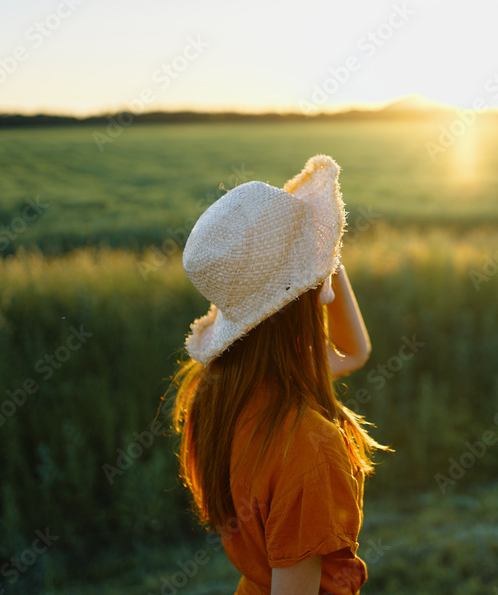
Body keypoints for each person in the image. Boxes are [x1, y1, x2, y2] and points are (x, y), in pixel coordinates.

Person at [167, 155, 390, 594]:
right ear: (306, 293)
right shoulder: (308, 445)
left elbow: (354, 350)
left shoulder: (218, 390)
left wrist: (318, 257)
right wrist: (316, 253)